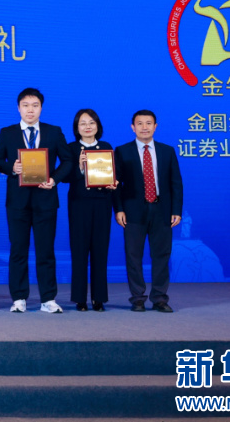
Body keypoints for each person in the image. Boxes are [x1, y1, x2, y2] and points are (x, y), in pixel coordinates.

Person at [0, 87, 75, 314]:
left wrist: (54, 179)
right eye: (26, 106)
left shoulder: (53, 132)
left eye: (35, 106)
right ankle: (19, 298)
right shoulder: (7, 132)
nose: (30, 110)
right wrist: (12, 167)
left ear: (41, 108)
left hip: (45, 199)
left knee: (45, 251)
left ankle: (48, 299)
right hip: (17, 202)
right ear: (18, 108)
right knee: (18, 250)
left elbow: (68, 161)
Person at [113, 109, 183, 313]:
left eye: (149, 123)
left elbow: (176, 183)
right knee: (133, 256)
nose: (144, 127)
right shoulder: (122, 151)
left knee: (161, 255)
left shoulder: (167, 151)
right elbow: (115, 184)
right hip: (133, 211)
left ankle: (159, 298)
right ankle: (137, 298)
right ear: (132, 127)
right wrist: (119, 209)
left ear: (155, 126)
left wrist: (176, 210)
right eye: (140, 123)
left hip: (162, 210)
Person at [64, 108, 116, 312]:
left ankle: (99, 298)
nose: (88, 127)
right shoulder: (70, 148)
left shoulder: (106, 147)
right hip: (79, 204)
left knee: (100, 251)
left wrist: (113, 183)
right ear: (77, 128)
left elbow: (112, 174)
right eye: (83, 123)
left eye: (91, 122)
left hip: (102, 203)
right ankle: (80, 299)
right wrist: (79, 167)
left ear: (98, 126)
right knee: (79, 251)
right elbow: (65, 177)